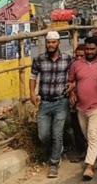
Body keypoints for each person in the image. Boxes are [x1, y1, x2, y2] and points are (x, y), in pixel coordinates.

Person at [31, 31, 73, 178]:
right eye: (48, 42)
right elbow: (33, 76)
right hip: (45, 101)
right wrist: (32, 93)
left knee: (57, 133)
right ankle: (58, 148)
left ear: (58, 43)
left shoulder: (68, 59)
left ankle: (54, 163)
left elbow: (73, 76)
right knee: (43, 134)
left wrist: (72, 86)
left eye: (53, 42)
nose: (50, 45)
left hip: (61, 101)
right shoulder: (39, 59)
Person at [67, 37, 97, 180]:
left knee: (92, 134)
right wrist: (72, 93)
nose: (89, 52)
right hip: (81, 108)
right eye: (87, 49)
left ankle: (89, 166)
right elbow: (71, 81)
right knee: (87, 136)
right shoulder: (76, 65)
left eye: (92, 49)